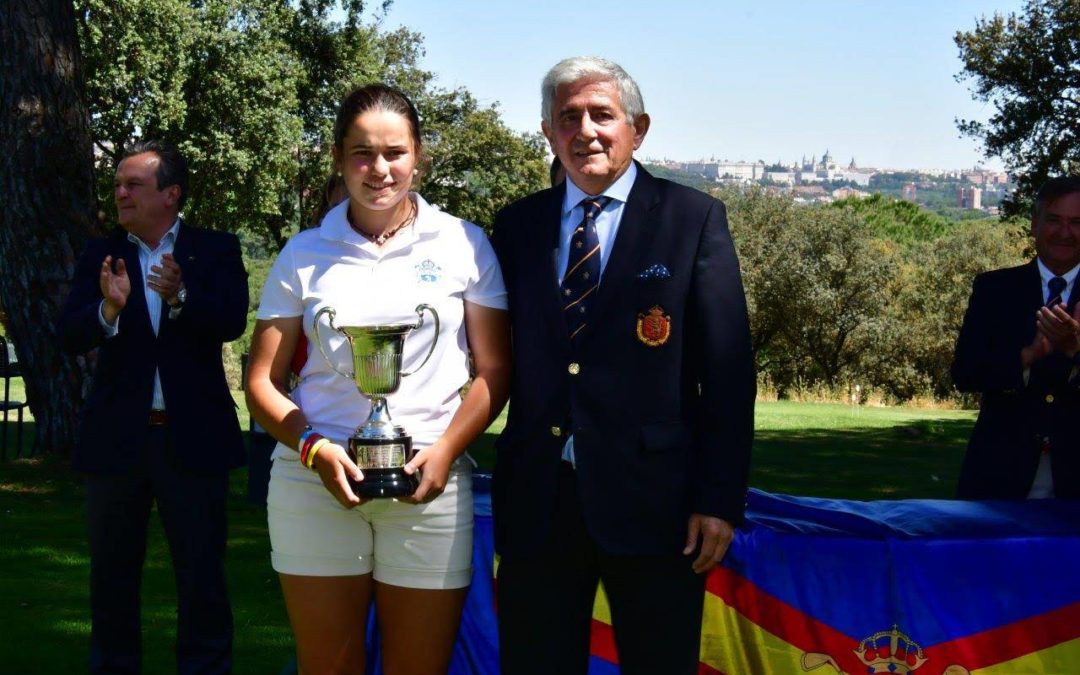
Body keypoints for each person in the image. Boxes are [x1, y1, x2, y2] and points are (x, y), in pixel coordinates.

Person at [490, 56, 755, 675]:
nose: (585, 130)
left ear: (638, 127)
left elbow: (728, 371)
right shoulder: (517, 225)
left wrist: (719, 498)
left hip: (658, 505)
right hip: (538, 501)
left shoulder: (693, 219)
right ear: (549, 133)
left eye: (601, 115)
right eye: (568, 117)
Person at [244, 84, 510, 675]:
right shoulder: (303, 253)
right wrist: (313, 449)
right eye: (362, 153)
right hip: (312, 484)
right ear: (339, 159)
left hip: (429, 487)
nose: (380, 169)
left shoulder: (466, 243)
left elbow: (494, 370)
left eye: (394, 152)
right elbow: (261, 381)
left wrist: (445, 454)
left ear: (418, 156)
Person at [58, 140, 248, 674]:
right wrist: (107, 309)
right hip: (118, 442)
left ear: (171, 194)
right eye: (117, 184)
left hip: (193, 440)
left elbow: (231, 319)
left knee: (201, 576)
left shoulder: (214, 250)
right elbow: (68, 334)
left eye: (133, 184)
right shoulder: (100, 254)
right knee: (112, 579)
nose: (120, 193)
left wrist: (182, 299)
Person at [952, 176, 1080, 499]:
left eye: (1077, 222)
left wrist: (1075, 352)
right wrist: (1027, 355)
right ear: (1034, 224)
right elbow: (965, 373)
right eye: (1054, 220)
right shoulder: (994, 290)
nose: (1065, 232)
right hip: (998, 478)